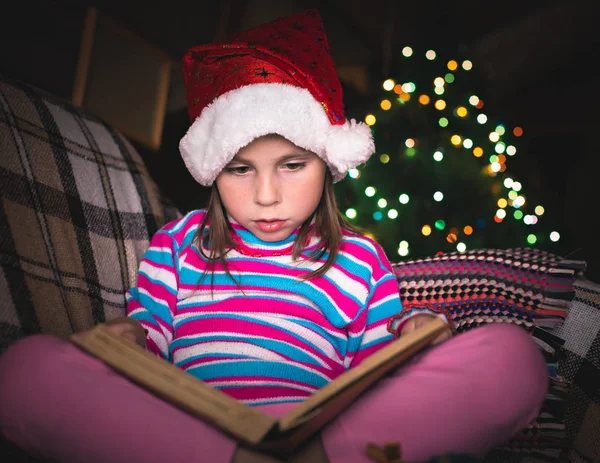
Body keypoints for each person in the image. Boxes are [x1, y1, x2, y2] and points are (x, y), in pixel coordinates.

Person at [0, 9, 548, 463]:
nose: (266, 196)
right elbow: (148, 336)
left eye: (291, 165)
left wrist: (414, 335)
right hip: (188, 439)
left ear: (327, 163)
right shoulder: (177, 242)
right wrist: (127, 339)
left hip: (322, 438)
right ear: (214, 170)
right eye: (240, 169)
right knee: (25, 372)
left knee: (514, 357)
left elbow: (374, 372)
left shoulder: (361, 258)